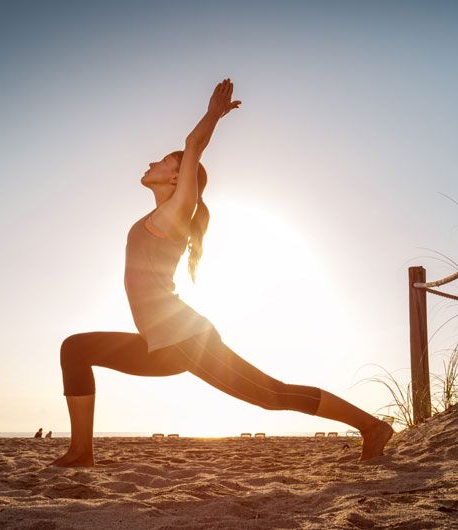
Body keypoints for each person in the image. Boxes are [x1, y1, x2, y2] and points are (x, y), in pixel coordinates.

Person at [51, 79, 393, 467]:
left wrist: (213, 114)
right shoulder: (158, 216)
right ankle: (81, 452)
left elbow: (193, 145)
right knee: (75, 349)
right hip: (159, 344)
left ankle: (371, 426)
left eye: (165, 161)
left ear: (180, 180)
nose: (152, 163)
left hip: (185, 338)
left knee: (272, 395)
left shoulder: (178, 211)